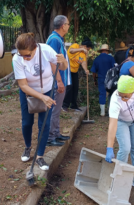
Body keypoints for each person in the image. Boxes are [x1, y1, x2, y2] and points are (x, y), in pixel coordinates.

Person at [12, 33, 68, 170]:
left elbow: (63, 67)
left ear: (35, 48)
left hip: (47, 90)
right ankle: (27, 147)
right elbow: (23, 85)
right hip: (28, 93)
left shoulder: (46, 50)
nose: (24, 58)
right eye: (22, 55)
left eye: (28, 55)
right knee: (26, 122)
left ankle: (40, 156)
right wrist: (41, 97)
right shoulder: (17, 59)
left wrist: (64, 61)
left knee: (44, 124)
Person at [46, 15, 71, 147]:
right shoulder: (54, 40)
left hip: (60, 80)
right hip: (57, 82)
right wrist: (59, 81)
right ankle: (50, 137)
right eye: (67, 24)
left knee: (57, 109)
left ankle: (56, 133)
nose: (68, 26)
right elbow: (52, 62)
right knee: (54, 109)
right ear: (63, 26)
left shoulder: (58, 39)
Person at [62, 37, 92, 111]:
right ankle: (65, 105)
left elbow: (83, 62)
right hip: (68, 70)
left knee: (75, 87)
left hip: (75, 71)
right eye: (88, 49)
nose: (88, 51)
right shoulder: (75, 46)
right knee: (69, 87)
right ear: (85, 46)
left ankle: (73, 105)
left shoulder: (83, 54)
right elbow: (71, 51)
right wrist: (81, 49)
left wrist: (86, 70)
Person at [91, 44, 116, 116]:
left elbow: (94, 72)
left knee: (102, 94)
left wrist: (95, 80)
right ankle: (110, 111)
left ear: (101, 51)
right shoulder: (111, 58)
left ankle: (102, 112)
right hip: (110, 79)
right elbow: (114, 69)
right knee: (111, 94)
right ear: (107, 51)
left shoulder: (97, 59)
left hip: (101, 78)